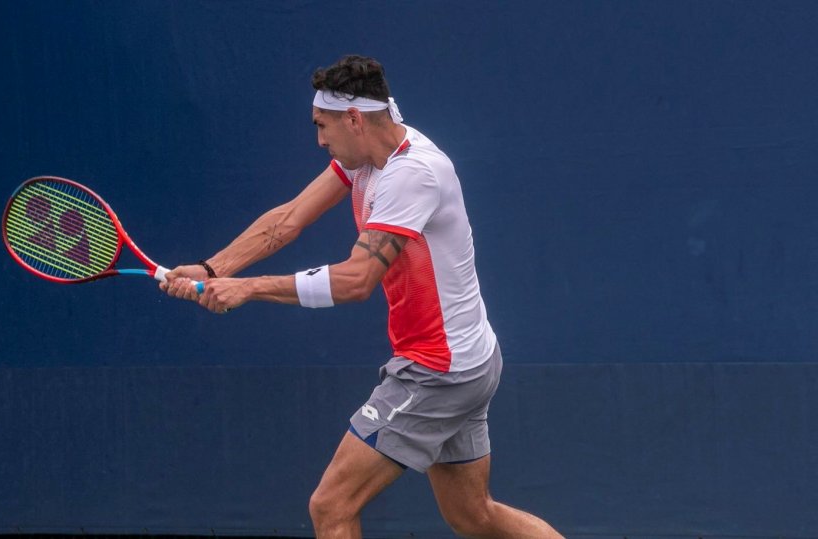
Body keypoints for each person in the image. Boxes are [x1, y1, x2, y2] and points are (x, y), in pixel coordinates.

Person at [161, 55, 562, 539]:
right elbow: (289, 219)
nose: (319, 140)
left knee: (331, 506)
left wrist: (249, 288)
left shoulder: (412, 174)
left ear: (353, 118)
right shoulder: (368, 157)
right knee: (473, 515)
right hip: (470, 359)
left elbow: (356, 280)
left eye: (322, 125)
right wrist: (213, 268)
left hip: (437, 369)